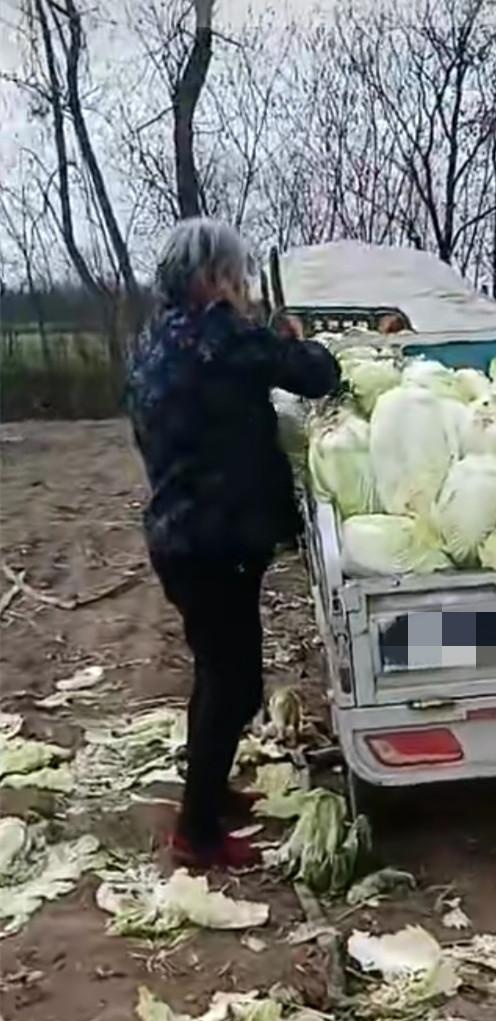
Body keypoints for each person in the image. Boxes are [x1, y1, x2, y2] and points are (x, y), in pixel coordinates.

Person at [127, 218, 340, 869]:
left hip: (180, 534)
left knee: (218, 673)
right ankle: (197, 832)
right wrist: (293, 340)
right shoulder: (222, 335)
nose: (243, 286)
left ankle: (209, 794)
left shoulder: (155, 341)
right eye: (237, 275)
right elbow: (317, 374)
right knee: (235, 682)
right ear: (212, 279)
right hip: (218, 539)